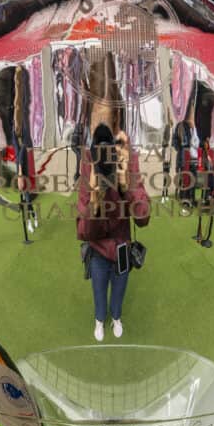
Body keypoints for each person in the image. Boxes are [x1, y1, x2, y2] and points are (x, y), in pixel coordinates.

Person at [77, 123, 149, 341]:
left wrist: (126, 186)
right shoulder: (89, 161)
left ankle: (116, 317)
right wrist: (94, 198)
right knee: (99, 294)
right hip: (98, 250)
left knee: (119, 292)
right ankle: (99, 320)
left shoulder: (128, 160)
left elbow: (143, 218)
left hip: (122, 248)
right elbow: (83, 231)